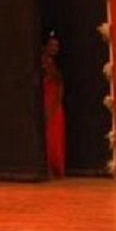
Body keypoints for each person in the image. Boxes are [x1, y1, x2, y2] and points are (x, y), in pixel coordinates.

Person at [41, 32, 66, 177]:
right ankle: (49, 167)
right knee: (50, 135)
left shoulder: (54, 63)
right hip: (48, 101)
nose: (55, 48)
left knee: (57, 134)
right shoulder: (42, 62)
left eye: (57, 45)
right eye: (52, 45)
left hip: (56, 103)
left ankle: (57, 166)